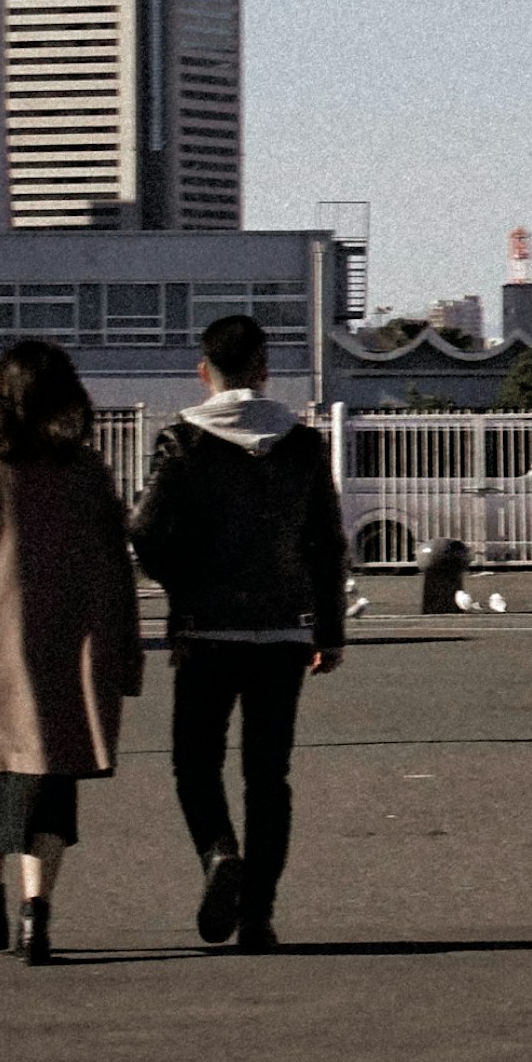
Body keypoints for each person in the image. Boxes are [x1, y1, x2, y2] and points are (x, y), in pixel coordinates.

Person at [0, 339, 142, 965]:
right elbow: (115, 565)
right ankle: (38, 916)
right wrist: (126, 650)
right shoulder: (89, 475)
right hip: (65, 654)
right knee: (48, 790)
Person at [130, 313, 348, 953]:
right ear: (264, 370)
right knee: (268, 775)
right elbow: (326, 544)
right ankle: (258, 914)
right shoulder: (304, 444)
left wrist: (184, 584)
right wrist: (328, 629)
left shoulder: (182, 441)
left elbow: (144, 531)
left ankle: (219, 853)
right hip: (284, 630)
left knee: (195, 762)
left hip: (207, 629)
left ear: (204, 374)